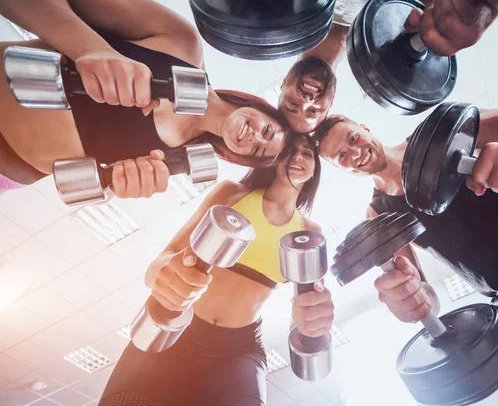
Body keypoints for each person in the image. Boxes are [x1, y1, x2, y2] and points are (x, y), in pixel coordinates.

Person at [315, 103, 498, 405]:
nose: (354, 152)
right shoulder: (379, 215)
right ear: (338, 168)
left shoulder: (442, 135)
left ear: (365, 128)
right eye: (341, 156)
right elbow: (425, 294)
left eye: (352, 139)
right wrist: (411, 300)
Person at [0, 0, 289, 198]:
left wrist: (118, 183)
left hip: (9, 169)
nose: (255, 139)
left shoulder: (171, 161)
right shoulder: (180, 43)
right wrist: (91, 49)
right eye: (267, 131)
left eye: (256, 151)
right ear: (258, 106)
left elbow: (94, 183)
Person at [100, 134, 334, 406]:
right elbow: (160, 262)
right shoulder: (232, 194)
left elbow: (308, 312)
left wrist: (315, 323)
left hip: (238, 350)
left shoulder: (309, 233)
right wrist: (164, 277)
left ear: (315, 168)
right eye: (289, 151)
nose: (297, 158)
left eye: (306, 153)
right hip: (176, 331)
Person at [222, 0, 498, 133]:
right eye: (313, 111)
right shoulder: (400, 17)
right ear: (330, 104)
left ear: (283, 85)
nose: (307, 100)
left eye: (292, 104)